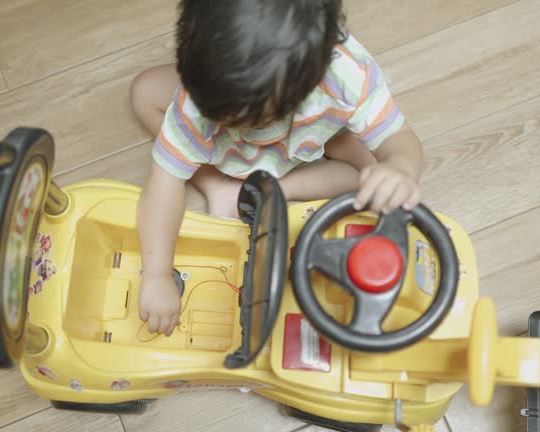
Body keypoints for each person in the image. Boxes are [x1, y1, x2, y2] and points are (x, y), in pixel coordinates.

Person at [129, 0, 425, 336]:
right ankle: (218, 185)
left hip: (310, 141)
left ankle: (277, 189)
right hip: (235, 145)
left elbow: (399, 138)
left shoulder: (348, 76)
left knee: (375, 181)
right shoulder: (197, 102)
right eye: (220, 115)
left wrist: (400, 167)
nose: (230, 124)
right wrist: (156, 274)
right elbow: (162, 184)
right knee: (143, 91)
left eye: (245, 120)